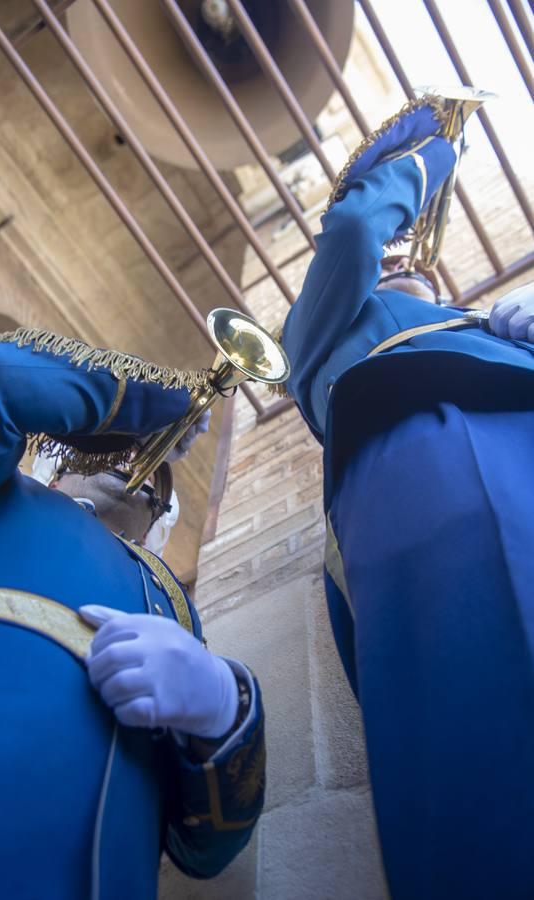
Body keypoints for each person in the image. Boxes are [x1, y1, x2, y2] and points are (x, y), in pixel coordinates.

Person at [281, 96, 534, 900]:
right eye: (402, 257)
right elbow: (354, 232)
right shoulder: (322, 327)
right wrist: (433, 155)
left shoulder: (482, 318)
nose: (411, 262)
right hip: (420, 462)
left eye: (418, 258)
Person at [0, 327, 265, 900]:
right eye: (118, 452)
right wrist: (158, 402)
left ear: (155, 528)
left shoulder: (172, 607)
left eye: (155, 488)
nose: (138, 465)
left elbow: (205, 851)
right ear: (59, 469)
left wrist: (222, 706)